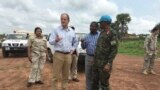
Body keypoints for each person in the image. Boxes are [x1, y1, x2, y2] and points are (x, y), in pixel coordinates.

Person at [49, 13, 78, 90]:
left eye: (64, 19)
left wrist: (72, 49)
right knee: (55, 76)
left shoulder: (72, 31)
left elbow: (75, 42)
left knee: (66, 75)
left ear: (68, 20)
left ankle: (64, 88)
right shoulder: (56, 30)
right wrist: (56, 40)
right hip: (58, 54)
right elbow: (50, 41)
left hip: (68, 55)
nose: (63, 21)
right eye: (61, 19)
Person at [91, 15, 118, 90]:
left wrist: (109, 63)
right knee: (94, 82)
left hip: (104, 64)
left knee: (104, 84)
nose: (99, 24)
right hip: (97, 63)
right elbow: (98, 47)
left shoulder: (112, 33)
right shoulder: (102, 32)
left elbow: (114, 50)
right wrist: (94, 59)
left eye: (100, 23)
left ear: (105, 23)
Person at [81, 21, 99, 90]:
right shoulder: (87, 36)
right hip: (88, 57)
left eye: (94, 26)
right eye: (91, 26)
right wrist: (82, 43)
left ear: (97, 27)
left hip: (97, 58)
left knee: (97, 75)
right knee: (88, 75)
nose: (92, 27)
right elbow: (83, 47)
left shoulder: (100, 36)